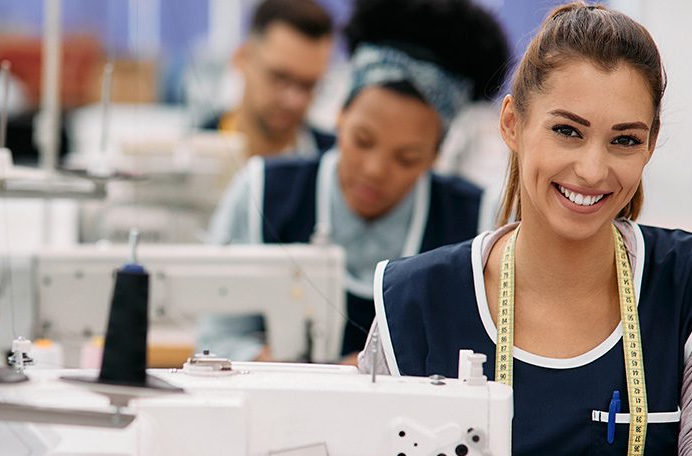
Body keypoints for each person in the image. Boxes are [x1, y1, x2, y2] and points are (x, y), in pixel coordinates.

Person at [324, 3, 692, 456]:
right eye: (566, 131)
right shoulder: (413, 299)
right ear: (512, 123)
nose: (591, 169)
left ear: (650, 145)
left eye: (624, 140)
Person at [201, 0, 511, 363]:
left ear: (435, 155)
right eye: (361, 140)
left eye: (406, 157)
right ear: (339, 116)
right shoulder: (261, 193)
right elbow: (217, 339)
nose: (375, 169)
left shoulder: (478, 224)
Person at [203, 0, 336, 158]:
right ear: (242, 58)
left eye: (309, 85)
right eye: (280, 77)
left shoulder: (335, 162)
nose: (293, 100)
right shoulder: (187, 154)